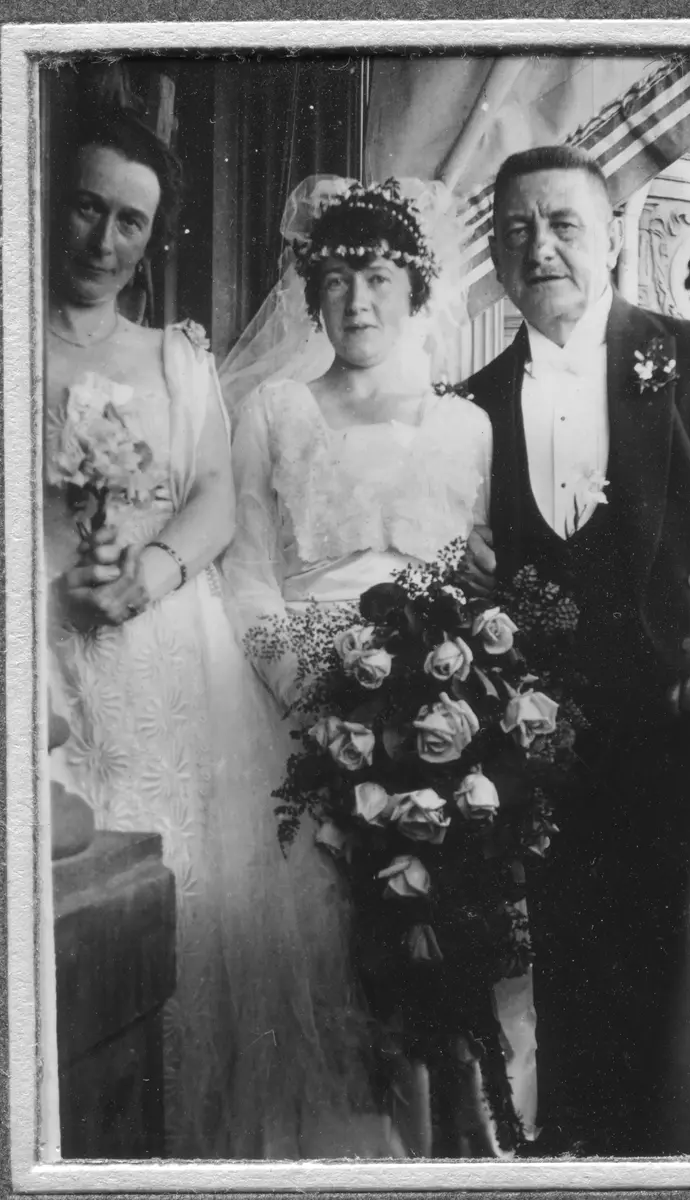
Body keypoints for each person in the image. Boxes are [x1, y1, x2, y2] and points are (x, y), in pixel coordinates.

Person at [219, 175, 538, 1157]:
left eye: (379, 279)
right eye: (335, 280)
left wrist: (454, 681)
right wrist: (312, 687)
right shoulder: (274, 409)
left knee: (440, 934)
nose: (356, 302)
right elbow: (246, 571)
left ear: (415, 292)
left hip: (440, 704)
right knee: (338, 951)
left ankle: (457, 1144)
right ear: (311, 296)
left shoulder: (468, 424)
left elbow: (485, 576)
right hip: (302, 714)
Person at [44, 108, 317, 1158]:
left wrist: (146, 575)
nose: (104, 240)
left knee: (180, 894)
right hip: (45, 656)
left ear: (153, 237)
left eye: (131, 222)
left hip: (162, 654)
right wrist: (55, 589)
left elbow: (212, 498)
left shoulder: (173, 357)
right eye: (86, 208)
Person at [462, 145, 690, 1156]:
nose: (540, 247)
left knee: (686, 995)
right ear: (495, 254)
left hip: (689, 725)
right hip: (553, 748)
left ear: (611, 237)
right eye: (517, 229)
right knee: (572, 981)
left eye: (563, 223)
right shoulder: (468, 405)